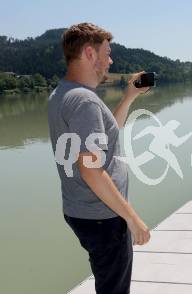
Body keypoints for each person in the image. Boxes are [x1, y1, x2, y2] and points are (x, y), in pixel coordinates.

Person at [47, 23, 151, 294]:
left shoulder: (62, 94)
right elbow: (91, 170)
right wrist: (132, 218)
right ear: (90, 54)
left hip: (81, 210)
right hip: (104, 216)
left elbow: (107, 135)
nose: (110, 60)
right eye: (107, 53)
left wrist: (128, 98)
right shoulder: (85, 102)